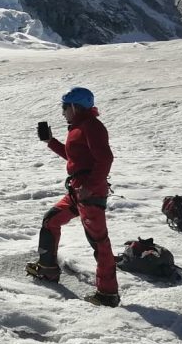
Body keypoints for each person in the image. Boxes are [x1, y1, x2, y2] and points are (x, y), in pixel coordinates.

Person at [27, 87, 120, 307]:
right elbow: (75, 158)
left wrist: (89, 186)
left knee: (99, 242)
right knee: (51, 220)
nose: (62, 112)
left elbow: (105, 159)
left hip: (89, 195)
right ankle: (48, 269)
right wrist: (50, 141)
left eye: (64, 107)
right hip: (78, 193)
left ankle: (108, 294)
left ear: (75, 107)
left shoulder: (92, 127)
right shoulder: (79, 127)